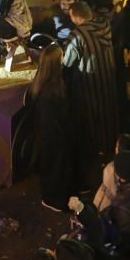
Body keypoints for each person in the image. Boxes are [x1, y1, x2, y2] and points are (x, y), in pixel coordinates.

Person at [62, 1, 117, 176]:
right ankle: (110, 146)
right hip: (107, 78)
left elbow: (67, 63)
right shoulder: (105, 24)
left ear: (76, 17)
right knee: (106, 111)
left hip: (89, 82)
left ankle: (95, 153)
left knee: (91, 116)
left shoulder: (78, 35)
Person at [24, 44, 73, 211]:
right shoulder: (49, 91)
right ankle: (52, 199)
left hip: (53, 134)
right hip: (52, 136)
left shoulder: (48, 82)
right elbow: (50, 121)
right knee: (53, 168)